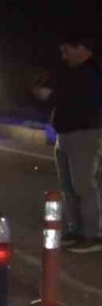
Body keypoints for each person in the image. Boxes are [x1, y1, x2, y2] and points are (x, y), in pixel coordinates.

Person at [46, 35, 102, 252]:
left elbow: (83, 102)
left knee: (83, 184)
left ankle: (92, 235)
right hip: (65, 134)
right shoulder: (71, 72)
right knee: (68, 186)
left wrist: (57, 97)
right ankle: (76, 229)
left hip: (84, 134)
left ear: (82, 49)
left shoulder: (93, 73)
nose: (64, 56)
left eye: (67, 51)